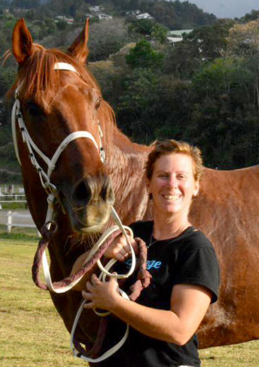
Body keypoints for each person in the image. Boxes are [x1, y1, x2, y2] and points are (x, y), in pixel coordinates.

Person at [70, 139, 220, 367]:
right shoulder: (133, 233)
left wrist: (116, 304)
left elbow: (180, 329)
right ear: (148, 184)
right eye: (162, 176)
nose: (171, 184)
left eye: (181, 177)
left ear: (196, 186)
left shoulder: (195, 249)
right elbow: (76, 280)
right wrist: (103, 252)